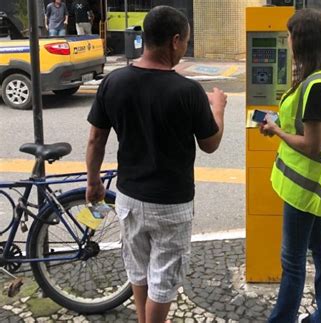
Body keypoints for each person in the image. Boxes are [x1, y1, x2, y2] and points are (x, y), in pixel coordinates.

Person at [85, 5, 226, 323]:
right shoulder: (188, 91)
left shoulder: (114, 82)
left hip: (130, 198)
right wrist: (218, 109)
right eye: (186, 42)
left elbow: (96, 140)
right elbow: (210, 144)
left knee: (138, 270)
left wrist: (93, 181)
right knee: (163, 280)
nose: (184, 48)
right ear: (175, 40)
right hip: (171, 203)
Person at [258, 9, 321, 323]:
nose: (286, 41)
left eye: (290, 36)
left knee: (293, 260)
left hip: (305, 188)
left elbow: (311, 145)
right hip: (317, 185)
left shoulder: (314, 86)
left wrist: (276, 131)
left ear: (302, 41)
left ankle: (282, 319)